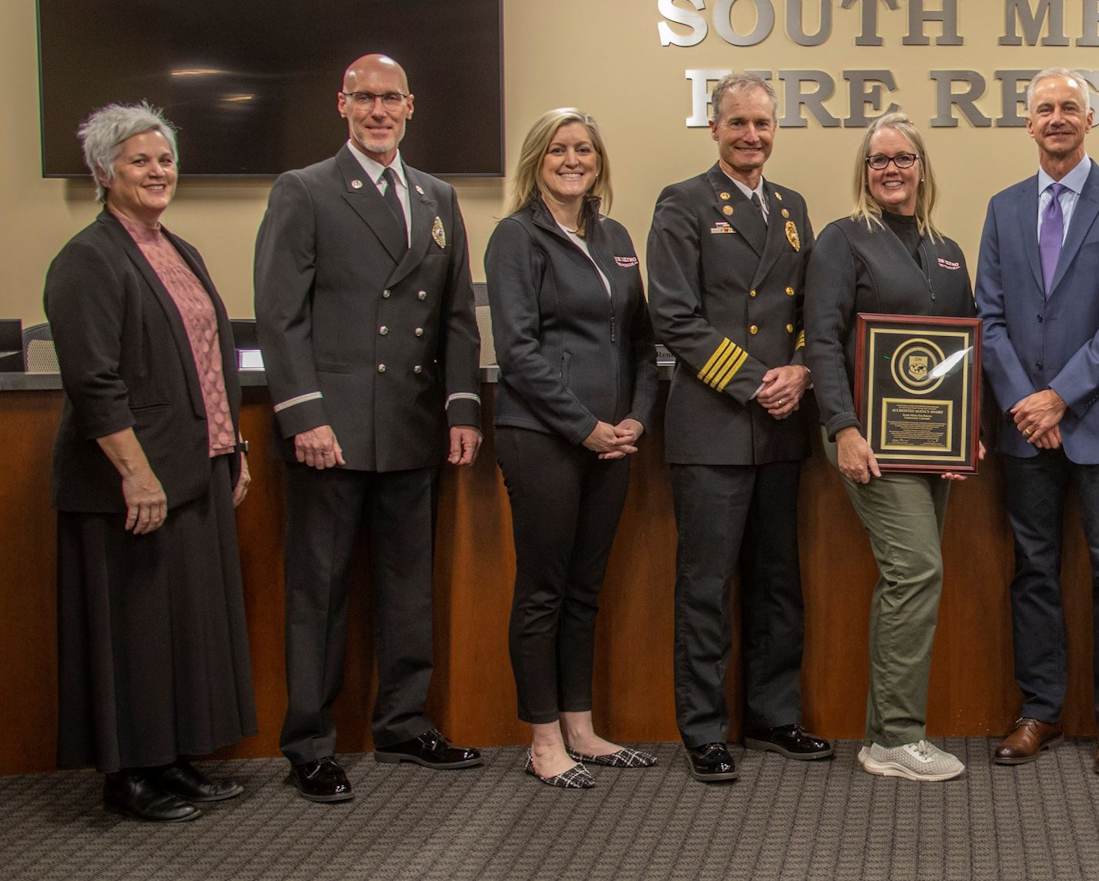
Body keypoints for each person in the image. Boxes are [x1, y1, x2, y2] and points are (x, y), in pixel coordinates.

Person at [254, 54, 485, 804]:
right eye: (365, 99)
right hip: (334, 429)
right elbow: (280, 315)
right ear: (342, 105)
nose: (378, 111)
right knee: (319, 593)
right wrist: (304, 415)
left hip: (413, 424)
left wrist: (460, 406)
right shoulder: (306, 190)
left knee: (408, 586)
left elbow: (455, 315)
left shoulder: (438, 196)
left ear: (411, 106)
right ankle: (310, 744)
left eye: (390, 99)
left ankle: (404, 722)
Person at [46, 103, 256, 822]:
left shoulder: (176, 248)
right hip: (131, 487)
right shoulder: (87, 258)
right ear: (105, 172)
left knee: (177, 631)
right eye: (140, 160)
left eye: (164, 159)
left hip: (194, 471)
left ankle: (171, 762)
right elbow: (94, 379)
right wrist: (135, 472)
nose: (158, 171)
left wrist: (235, 449)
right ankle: (127, 777)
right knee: (132, 633)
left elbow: (208, 361)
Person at [977, 67, 1099, 776]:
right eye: (1045, 108)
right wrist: (1029, 401)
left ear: (1092, 120)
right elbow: (989, 316)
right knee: (1034, 572)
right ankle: (1041, 711)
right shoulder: (1003, 207)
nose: (1057, 118)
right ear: (1028, 123)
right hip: (1025, 427)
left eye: (1069, 108)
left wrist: (1061, 397)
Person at [649, 72, 828, 781]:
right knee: (706, 584)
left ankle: (772, 714)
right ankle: (703, 728)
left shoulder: (792, 208)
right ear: (714, 128)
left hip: (782, 427)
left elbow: (817, 308)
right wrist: (759, 381)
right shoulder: (683, 202)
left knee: (778, 581)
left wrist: (805, 370)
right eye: (738, 123)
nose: (751, 135)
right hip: (715, 424)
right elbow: (673, 315)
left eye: (763, 123)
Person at [485, 108, 659, 789]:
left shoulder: (614, 236)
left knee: (585, 590)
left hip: (614, 443)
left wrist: (637, 419)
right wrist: (583, 425)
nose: (572, 159)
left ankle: (580, 727)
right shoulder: (514, 237)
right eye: (558, 149)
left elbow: (643, 342)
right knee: (543, 591)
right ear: (537, 160)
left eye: (584, 148)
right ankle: (543, 740)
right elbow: (518, 351)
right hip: (543, 439)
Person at [803, 112, 978, 782]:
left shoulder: (948, 250)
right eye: (879, 161)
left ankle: (884, 737)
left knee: (910, 578)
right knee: (917, 572)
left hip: (935, 445)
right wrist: (843, 428)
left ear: (922, 168)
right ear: (864, 172)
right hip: (867, 442)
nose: (891, 169)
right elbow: (822, 339)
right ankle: (899, 735)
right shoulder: (842, 241)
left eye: (903, 158)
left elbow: (961, 347)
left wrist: (970, 434)